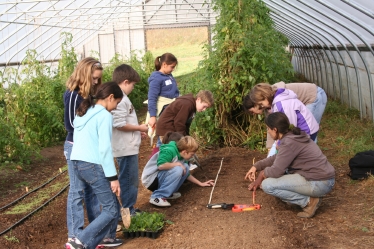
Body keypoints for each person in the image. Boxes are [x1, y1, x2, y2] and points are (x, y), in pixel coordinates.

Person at [65, 82, 123, 249]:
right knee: (111, 210)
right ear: (110, 97)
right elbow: (104, 149)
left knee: (99, 202)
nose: (115, 107)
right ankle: (79, 240)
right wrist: (113, 178)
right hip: (92, 165)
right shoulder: (104, 116)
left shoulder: (84, 112)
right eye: (116, 103)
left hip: (76, 162)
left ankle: (85, 245)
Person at [244, 112, 335, 218]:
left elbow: (276, 171)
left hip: (319, 183)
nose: (268, 132)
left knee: (267, 185)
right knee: (278, 178)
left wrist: (264, 172)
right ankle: (306, 198)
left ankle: (309, 201)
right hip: (324, 179)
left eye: (268, 129)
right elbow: (277, 158)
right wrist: (256, 166)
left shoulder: (289, 143)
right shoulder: (293, 136)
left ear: (275, 130)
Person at [63, 58, 106, 244]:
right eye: (94, 78)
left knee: (91, 190)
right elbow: (71, 124)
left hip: (87, 146)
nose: (96, 82)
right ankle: (75, 234)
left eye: (98, 79)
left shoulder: (88, 94)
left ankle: (93, 233)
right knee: (77, 190)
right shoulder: (74, 94)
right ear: (85, 75)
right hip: (75, 146)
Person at [111, 64, 148, 216]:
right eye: (132, 84)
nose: (133, 87)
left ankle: (129, 207)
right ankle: (127, 209)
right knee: (128, 179)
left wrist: (138, 132)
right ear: (126, 82)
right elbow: (118, 124)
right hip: (124, 148)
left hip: (129, 145)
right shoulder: (119, 99)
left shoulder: (123, 98)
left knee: (130, 177)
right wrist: (139, 128)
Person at [249, 83, 319, 157]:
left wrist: (281, 143)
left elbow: (290, 126)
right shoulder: (279, 100)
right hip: (302, 131)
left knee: (293, 157)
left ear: (265, 96)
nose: (262, 106)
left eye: (261, 103)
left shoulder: (282, 104)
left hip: (306, 131)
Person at [150, 136, 215, 207]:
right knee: (179, 168)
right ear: (184, 152)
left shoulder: (182, 156)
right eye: (191, 154)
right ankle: (157, 196)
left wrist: (201, 183)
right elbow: (161, 165)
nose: (192, 157)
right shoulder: (169, 150)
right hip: (152, 180)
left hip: (160, 178)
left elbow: (186, 174)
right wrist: (178, 164)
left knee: (185, 167)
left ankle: (169, 193)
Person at [147, 53, 180, 131]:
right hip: (163, 111)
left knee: (172, 132)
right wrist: (152, 116)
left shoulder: (169, 75)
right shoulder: (156, 78)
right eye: (172, 67)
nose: (173, 69)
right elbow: (152, 98)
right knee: (164, 133)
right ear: (164, 64)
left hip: (172, 108)